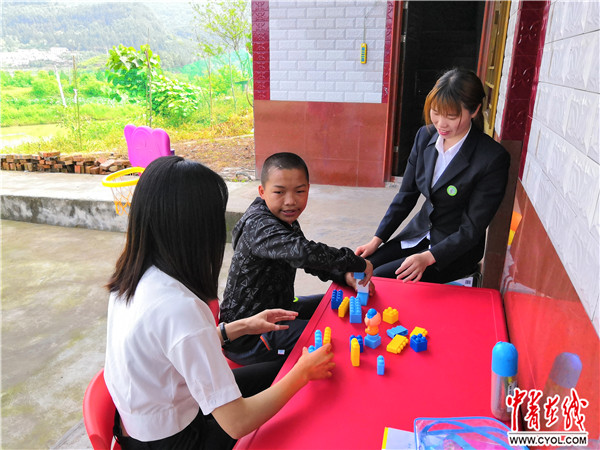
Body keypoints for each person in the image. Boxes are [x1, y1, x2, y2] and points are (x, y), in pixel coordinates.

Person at [104, 156, 335, 450]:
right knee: (298, 398)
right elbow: (237, 421)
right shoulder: (179, 306)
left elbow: (172, 349)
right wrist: (302, 374)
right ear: (196, 230)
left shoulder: (134, 277)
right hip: (177, 440)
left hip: (148, 421)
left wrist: (236, 328)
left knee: (279, 371)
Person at [356, 68, 510, 283]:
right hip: (419, 235)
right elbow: (406, 196)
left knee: (380, 279)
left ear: (474, 110)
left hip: (454, 251)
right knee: (361, 268)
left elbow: (471, 228)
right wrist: (377, 239)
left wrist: (429, 257)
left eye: (451, 116)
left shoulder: (491, 158)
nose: (441, 124)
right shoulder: (424, 136)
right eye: (436, 112)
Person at [220, 152, 374, 366]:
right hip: (249, 336)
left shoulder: (283, 219)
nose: (290, 201)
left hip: (278, 308)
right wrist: (356, 262)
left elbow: (306, 260)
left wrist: (343, 275)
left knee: (333, 304)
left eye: (299, 191)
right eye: (279, 192)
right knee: (334, 337)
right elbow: (302, 252)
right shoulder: (260, 226)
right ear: (262, 192)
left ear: (308, 189)